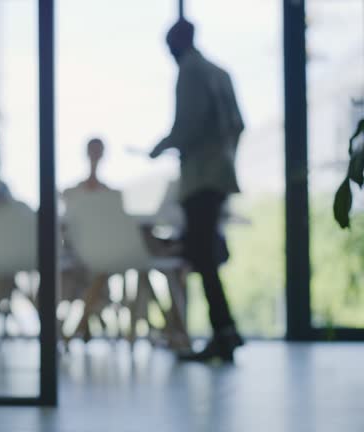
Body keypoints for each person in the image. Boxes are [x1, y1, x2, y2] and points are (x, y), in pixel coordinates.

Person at [150, 19, 245, 362]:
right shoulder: (220, 72)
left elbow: (186, 125)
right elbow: (238, 125)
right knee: (203, 253)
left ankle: (223, 332)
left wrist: (161, 146)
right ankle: (225, 330)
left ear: (176, 43)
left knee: (201, 255)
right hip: (219, 174)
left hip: (201, 177)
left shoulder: (190, 71)